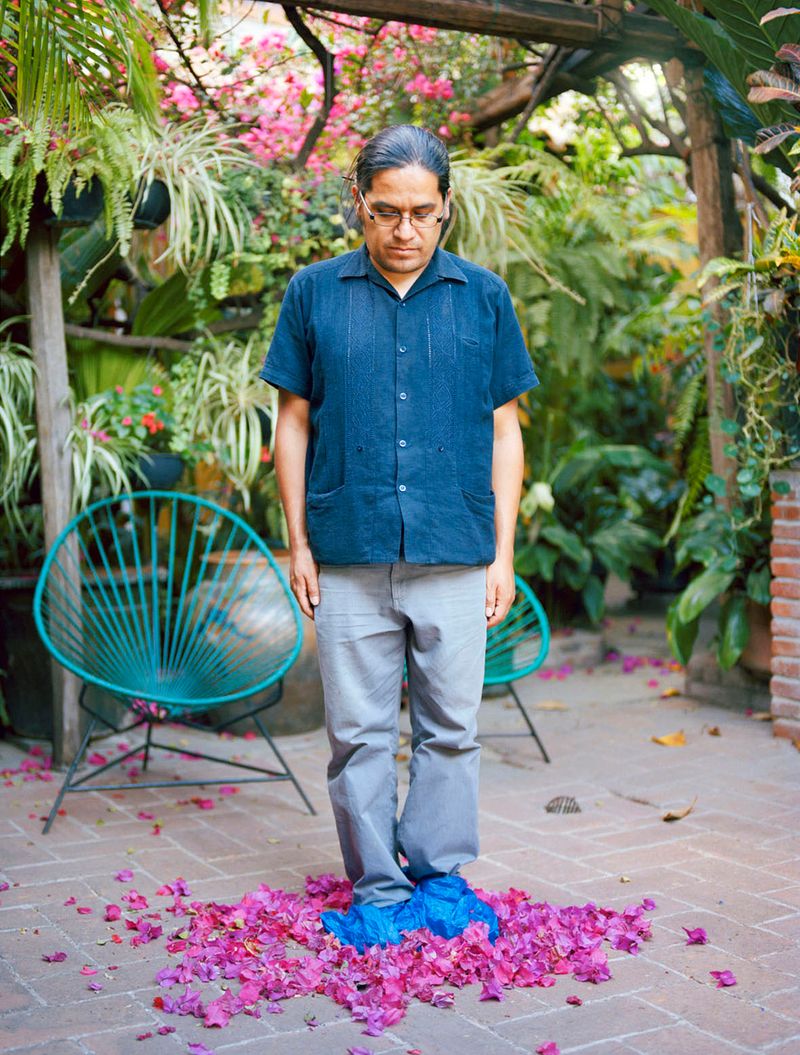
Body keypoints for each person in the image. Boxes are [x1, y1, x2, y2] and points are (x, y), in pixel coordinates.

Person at [260, 124, 538, 949]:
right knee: (358, 734)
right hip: (348, 548)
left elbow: (506, 430)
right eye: (386, 212)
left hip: (456, 545)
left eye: (422, 212)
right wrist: (299, 542)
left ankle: (440, 876)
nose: (405, 230)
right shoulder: (313, 293)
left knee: (452, 725)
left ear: (446, 206)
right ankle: (378, 889)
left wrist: (505, 553)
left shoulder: (483, 297)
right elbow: (292, 421)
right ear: (360, 204)